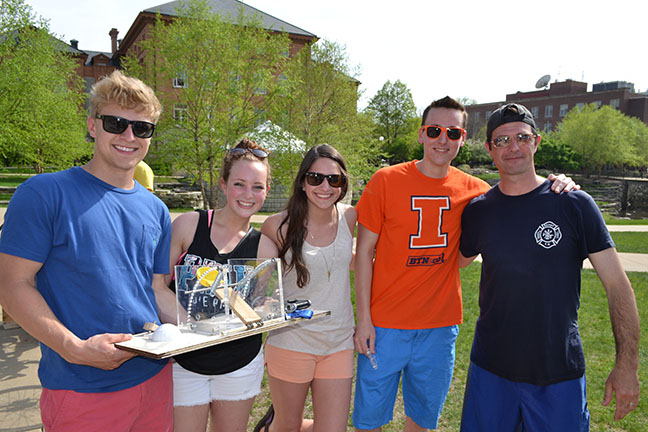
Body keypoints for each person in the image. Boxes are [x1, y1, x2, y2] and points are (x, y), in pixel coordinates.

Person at [352, 96, 578, 432]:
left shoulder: (476, 191)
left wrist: (560, 182)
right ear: (421, 134)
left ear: (462, 138)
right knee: (369, 420)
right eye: (434, 130)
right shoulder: (386, 179)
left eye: (453, 133)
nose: (443, 139)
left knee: (422, 419)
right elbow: (363, 255)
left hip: (439, 328)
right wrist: (364, 320)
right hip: (384, 325)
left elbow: (521, 190)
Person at [0, 70, 174, 431]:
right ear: (93, 125)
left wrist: (210, 324)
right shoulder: (43, 193)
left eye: (141, 128)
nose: (129, 136)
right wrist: (73, 348)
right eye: (116, 123)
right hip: (81, 387)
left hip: (155, 380)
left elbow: (156, 291)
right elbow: (13, 285)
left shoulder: (156, 209)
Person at [458, 103, 640, 431]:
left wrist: (627, 365)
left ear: (537, 142)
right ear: (489, 149)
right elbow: (447, 264)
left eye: (522, 137)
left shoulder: (573, 204)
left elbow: (617, 285)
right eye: (502, 140)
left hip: (558, 374)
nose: (513, 147)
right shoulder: (478, 212)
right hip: (490, 370)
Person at [166, 138, 278, 432]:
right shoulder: (188, 226)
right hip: (184, 363)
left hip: (239, 364)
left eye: (258, 186)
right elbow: (153, 287)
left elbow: (251, 308)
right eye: (239, 184)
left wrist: (266, 310)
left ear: (267, 190)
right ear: (223, 184)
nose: (248, 194)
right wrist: (192, 327)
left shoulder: (264, 248)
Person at [256, 144, 357, 432]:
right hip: (291, 341)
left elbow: (360, 261)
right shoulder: (278, 226)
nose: (325, 186)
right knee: (288, 425)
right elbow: (258, 288)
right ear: (303, 182)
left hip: (338, 342)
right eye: (316, 178)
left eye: (334, 179)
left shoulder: (351, 218)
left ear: (343, 184)